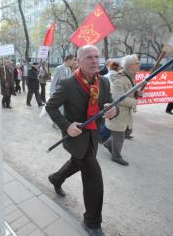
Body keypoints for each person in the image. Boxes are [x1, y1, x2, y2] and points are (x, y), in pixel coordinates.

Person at [46, 45, 117, 236]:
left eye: (96, 57)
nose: (94, 61)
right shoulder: (68, 84)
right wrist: (67, 125)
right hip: (75, 137)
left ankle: (55, 178)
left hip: (93, 136)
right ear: (78, 61)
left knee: (77, 163)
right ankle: (92, 223)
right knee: (94, 176)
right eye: (89, 57)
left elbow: (108, 102)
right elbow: (50, 107)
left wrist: (112, 109)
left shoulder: (103, 81)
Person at [103, 54, 141, 166]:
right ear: (130, 66)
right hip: (118, 113)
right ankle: (116, 156)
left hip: (126, 114)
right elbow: (117, 98)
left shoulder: (129, 77)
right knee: (119, 136)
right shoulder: (120, 79)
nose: (139, 65)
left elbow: (128, 92)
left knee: (127, 131)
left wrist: (137, 93)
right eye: (137, 63)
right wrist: (135, 102)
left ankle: (109, 144)